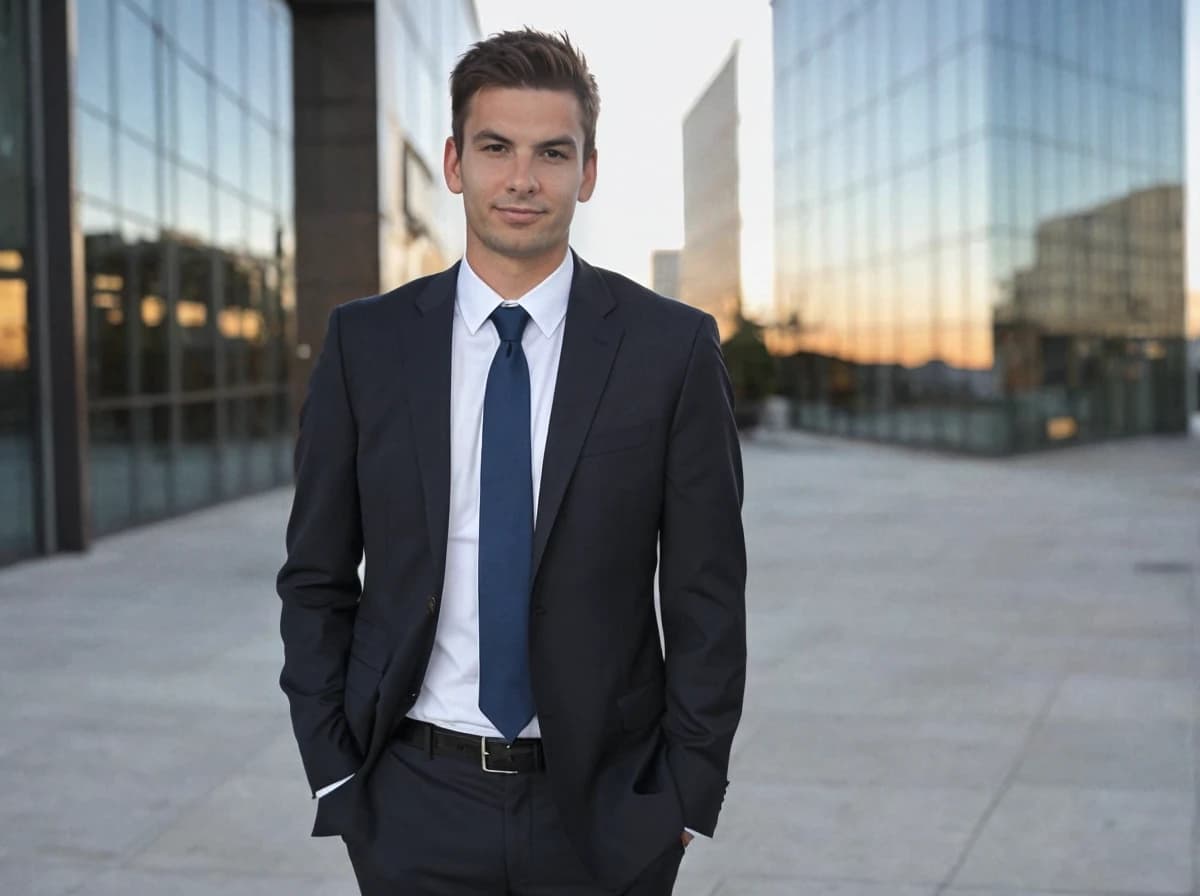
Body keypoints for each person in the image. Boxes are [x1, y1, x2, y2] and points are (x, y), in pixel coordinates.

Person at [277, 28, 746, 895]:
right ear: (455, 163)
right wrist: (337, 773)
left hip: (608, 808)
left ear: (588, 173)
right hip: (411, 797)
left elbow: (706, 592)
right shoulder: (365, 344)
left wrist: (685, 795)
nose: (522, 179)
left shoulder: (670, 350)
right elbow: (315, 576)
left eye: (551, 153)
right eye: (496, 148)